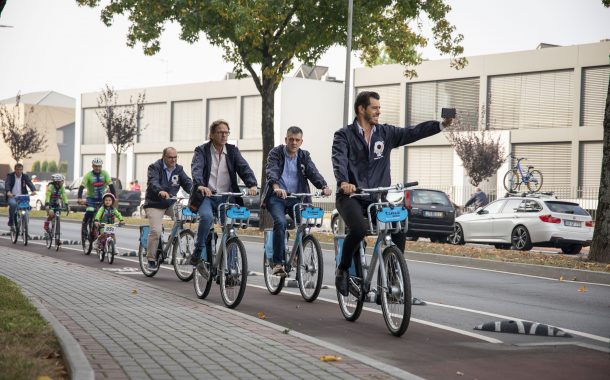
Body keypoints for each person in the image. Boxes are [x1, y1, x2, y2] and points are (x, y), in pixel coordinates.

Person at [332, 91, 453, 296]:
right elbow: (339, 159)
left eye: (379, 107)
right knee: (359, 230)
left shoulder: (385, 133)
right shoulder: (344, 135)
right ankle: (342, 270)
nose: (379, 111)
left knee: (399, 225)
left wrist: (440, 125)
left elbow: (412, 132)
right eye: (374, 108)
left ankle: (392, 272)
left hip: (376, 197)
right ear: (362, 109)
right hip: (350, 196)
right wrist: (344, 182)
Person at [262, 126, 332, 276]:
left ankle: (296, 256)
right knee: (280, 223)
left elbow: (313, 172)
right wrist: (276, 187)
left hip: (298, 198)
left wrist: (324, 186)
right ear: (286, 139)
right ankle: (278, 263)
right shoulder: (276, 153)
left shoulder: (304, 156)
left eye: (297, 140)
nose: (294, 142)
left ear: (301, 141)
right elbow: (271, 170)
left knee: (305, 224)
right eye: (291, 139)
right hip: (277, 197)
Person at [190, 119, 258, 266]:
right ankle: (198, 249)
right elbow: (197, 168)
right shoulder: (201, 150)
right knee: (207, 217)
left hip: (227, 197)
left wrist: (252, 184)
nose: (224, 135)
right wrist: (201, 185)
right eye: (220, 132)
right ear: (212, 134)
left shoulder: (232, 151)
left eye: (226, 132)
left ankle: (231, 270)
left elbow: (244, 168)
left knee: (230, 230)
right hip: (206, 196)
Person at [143, 147, 193, 269]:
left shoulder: (178, 169)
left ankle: (173, 238)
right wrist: (160, 191)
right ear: (164, 157)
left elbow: (187, 183)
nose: (173, 160)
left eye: (175, 157)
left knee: (184, 216)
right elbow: (153, 182)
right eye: (170, 157)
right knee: (156, 231)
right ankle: (151, 258)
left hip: (170, 203)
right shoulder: (154, 167)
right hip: (154, 203)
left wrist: (196, 191)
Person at [77, 158, 116, 239]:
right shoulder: (88, 175)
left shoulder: (105, 174)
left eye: (99, 166)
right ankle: (84, 225)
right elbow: (81, 187)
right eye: (95, 166)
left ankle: (101, 233)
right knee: (90, 210)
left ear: (101, 166)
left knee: (105, 214)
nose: (97, 168)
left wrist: (114, 197)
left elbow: (111, 185)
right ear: (92, 166)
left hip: (102, 199)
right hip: (91, 199)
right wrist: (79, 198)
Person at [5, 163, 37, 232]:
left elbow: (29, 183)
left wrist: (33, 190)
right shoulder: (10, 176)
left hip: (23, 197)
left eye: (21, 170)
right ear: (15, 170)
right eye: (17, 170)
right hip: (12, 196)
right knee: (13, 205)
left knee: (26, 211)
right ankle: (11, 222)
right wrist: (8, 192)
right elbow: (7, 184)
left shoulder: (25, 176)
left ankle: (25, 228)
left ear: (22, 170)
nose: (19, 171)